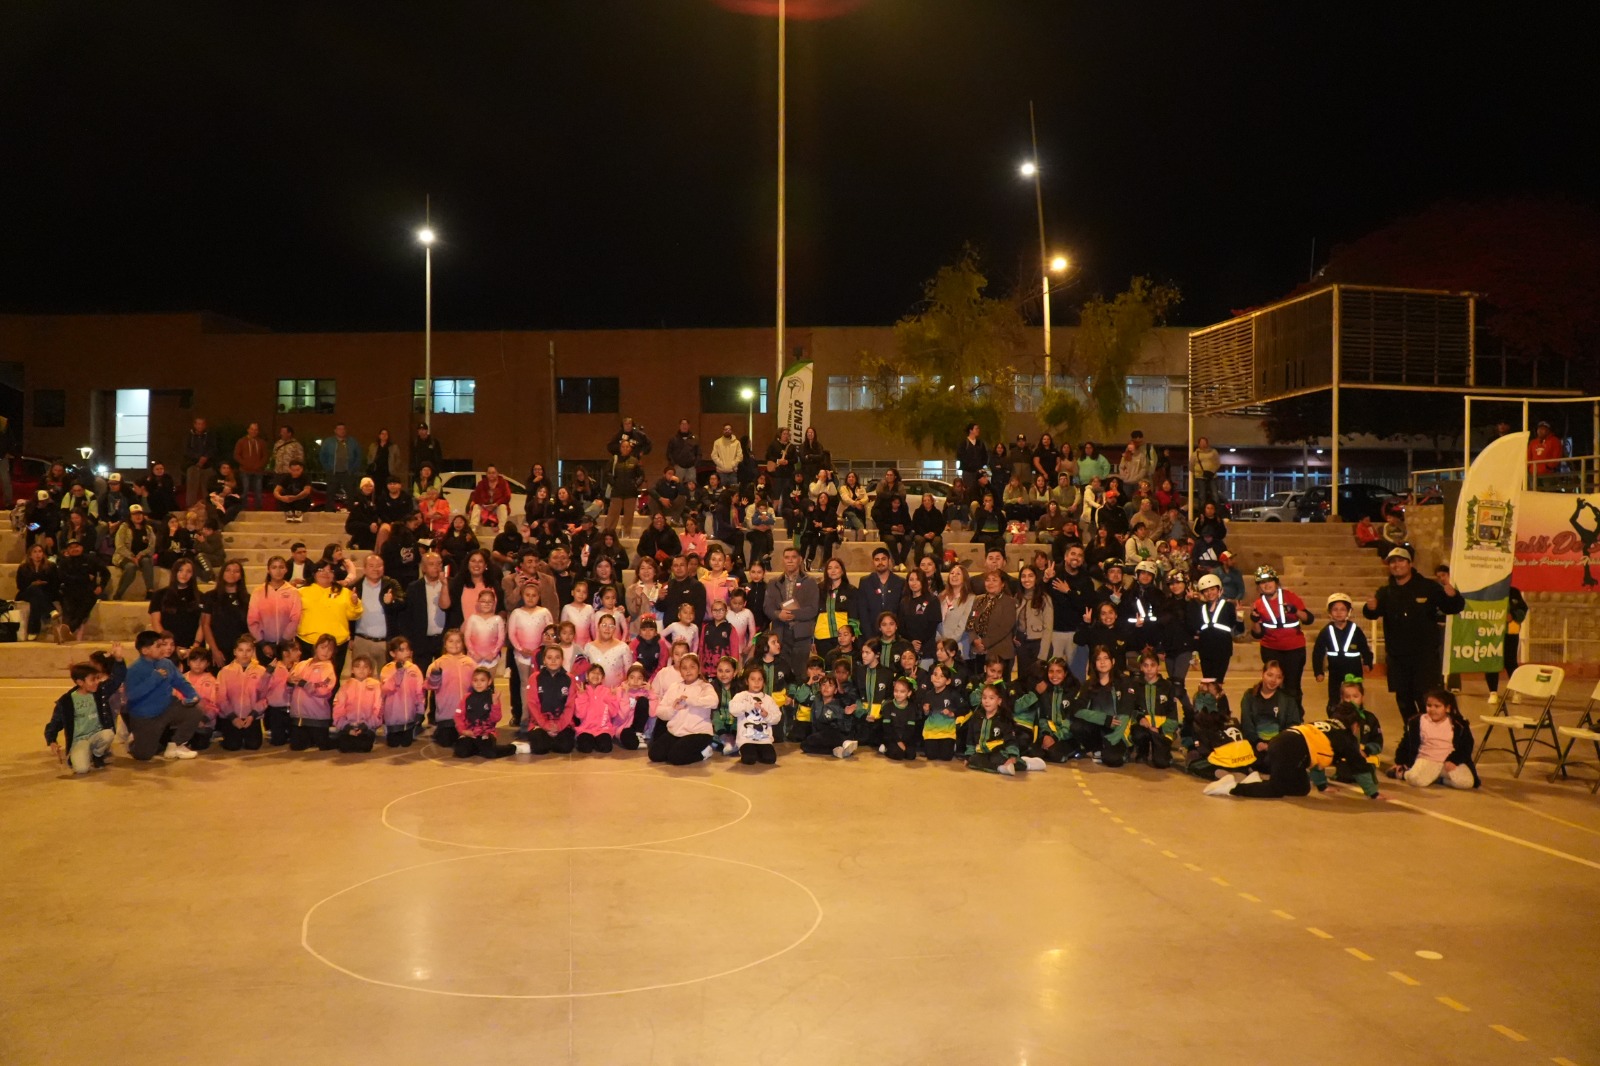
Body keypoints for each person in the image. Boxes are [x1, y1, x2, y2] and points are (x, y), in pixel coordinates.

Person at [1363, 547, 1464, 722]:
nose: (1396, 565)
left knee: (1428, 700)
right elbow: (1372, 613)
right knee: (1404, 702)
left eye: (1401, 560)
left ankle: (1436, 736)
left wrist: (1453, 595)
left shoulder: (1429, 587)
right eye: (1392, 562)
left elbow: (1452, 608)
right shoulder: (1385, 592)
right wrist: (1369, 608)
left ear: (1410, 564)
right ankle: (1412, 735)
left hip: (1424, 659)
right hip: (1398, 659)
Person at [1203, 706, 1380, 799]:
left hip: (1284, 740)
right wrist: (1373, 794)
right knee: (1276, 789)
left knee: (1302, 787)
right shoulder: (1346, 738)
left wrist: (1323, 786)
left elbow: (1318, 760)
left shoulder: (1326, 725)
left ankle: (1253, 779)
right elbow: (1360, 767)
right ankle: (1232, 788)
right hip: (1291, 748)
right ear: (1354, 725)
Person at [123, 630, 203, 761]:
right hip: (146, 716)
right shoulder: (134, 669)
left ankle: (176, 746)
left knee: (194, 711)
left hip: (167, 708)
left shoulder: (166, 663)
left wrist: (192, 695)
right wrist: (155, 678)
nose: (163, 649)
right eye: (158, 646)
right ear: (145, 650)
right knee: (144, 755)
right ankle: (134, 739)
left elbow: (180, 682)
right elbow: (131, 695)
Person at [45, 650, 126, 774]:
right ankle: (81, 753)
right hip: (80, 740)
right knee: (81, 769)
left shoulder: (100, 692)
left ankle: (97, 755)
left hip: (96, 736)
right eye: (93, 680)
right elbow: (54, 723)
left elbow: (117, 679)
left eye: (98, 678)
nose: (97, 682)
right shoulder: (67, 701)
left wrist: (119, 660)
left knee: (108, 734)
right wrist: (52, 740)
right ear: (80, 682)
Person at [1391, 690, 1480, 789]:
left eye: (1437, 706)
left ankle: (1439, 778)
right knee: (1414, 780)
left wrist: (1453, 760)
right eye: (1429, 705)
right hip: (1426, 759)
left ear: (1447, 708)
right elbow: (1406, 743)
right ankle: (1402, 772)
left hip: (1447, 763)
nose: (1432, 709)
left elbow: (1467, 746)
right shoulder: (1416, 722)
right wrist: (1400, 761)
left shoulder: (1459, 724)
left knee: (1467, 782)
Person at [1248, 566, 1312, 701]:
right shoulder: (1258, 604)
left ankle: (1295, 717)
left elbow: (1308, 619)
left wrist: (1295, 611)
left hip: (1294, 649)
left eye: (1269, 581)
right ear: (1259, 587)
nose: (1266, 585)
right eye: (1262, 582)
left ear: (1276, 582)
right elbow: (1257, 634)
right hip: (1271, 649)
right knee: (1273, 686)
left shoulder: (1290, 596)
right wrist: (1254, 621)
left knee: (1293, 686)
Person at [296, 560, 364, 678]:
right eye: (321, 570)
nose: (326, 573)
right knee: (306, 678)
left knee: (332, 681)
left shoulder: (344, 592)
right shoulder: (301, 592)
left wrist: (354, 603)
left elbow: (353, 615)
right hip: (309, 643)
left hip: (337, 645)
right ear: (314, 573)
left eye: (330, 571)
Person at [649, 652, 719, 764]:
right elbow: (660, 711)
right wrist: (673, 709)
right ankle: (679, 748)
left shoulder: (705, 686)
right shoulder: (674, 687)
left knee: (676, 757)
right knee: (654, 754)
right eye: (684, 668)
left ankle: (705, 752)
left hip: (698, 732)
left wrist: (690, 700)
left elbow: (714, 702)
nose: (688, 671)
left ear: (698, 669)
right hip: (676, 732)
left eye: (692, 667)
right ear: (680, 672)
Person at [1312, 593, 1374, 712]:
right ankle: (1335, 721)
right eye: (1335, 609)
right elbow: (1318, 652)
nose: (1339, 612)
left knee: (1355, 696)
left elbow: (1364, 648)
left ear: (1348, 611)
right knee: (1334, 700)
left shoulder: (1355, 630)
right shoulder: (1326, 631)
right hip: (1335, 672)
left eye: (1342, 609)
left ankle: (1356, 720)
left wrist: (1367, 662)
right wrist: (1318, 671)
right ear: (1329, 612)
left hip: (1354, 671)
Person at [764, 547, 820, 677]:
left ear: (800, 560)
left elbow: (812, 609)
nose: (790, 561)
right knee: (781, 675)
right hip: (780, 635)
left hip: (801, 635)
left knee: (801, 674)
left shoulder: (810, 582)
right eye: (786, 557)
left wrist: (792, 614)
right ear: (782, 560)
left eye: (793, 557)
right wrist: (779, 615)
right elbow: (768, 607)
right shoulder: (774, 583)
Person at [1239, 660, 1302, 763]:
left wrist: (1275, 744)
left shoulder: (1288, 699)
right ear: (1263, 674)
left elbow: (1293, 725)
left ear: (1282, 680)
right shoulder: (1249, 696)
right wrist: (1257, 742)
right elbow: (1246, 723)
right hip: (1254, 744)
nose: (1273, 680)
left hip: (1279, 745)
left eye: (1278, 677)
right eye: (1270, 675)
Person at [215, 635, 268, 751]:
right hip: (231, 717)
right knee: (232, 746)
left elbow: (264, 697)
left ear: (253, 651)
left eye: (248, 650)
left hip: (252, 717)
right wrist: (233, 717)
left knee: (253, 745)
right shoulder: (225, 672)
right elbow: (221, 698)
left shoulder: (261, 671)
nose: (245, 654)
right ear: (235, 652)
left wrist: (253, 715)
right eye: (241, 650)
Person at [426, 629, 476, 747]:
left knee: (466, 741)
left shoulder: (470, 663)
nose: (455, 644)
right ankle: (440, 730)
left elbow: (477, 684)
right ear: (445, 644)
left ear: (463, 644)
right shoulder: (437, 663)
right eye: (451, 641)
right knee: (446, 742)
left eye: (458, 641)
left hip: (466, 714)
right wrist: (435, 675)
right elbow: (430, 686)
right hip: (446, 714)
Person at [454, 667, 513, 759]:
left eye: (482, 680)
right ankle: (478, 748)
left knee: (490, 753)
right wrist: (463, 731)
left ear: (489, 682)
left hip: (486, 733)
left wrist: (495, 704)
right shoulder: (467, 698)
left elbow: (496, 718)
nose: (478, 683)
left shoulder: (493, 698)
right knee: (461, 752)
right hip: (470, 733)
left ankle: (514, 747)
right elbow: (458, 716)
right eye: (475, 680)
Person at [380, 636, 427, 747]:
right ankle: (390, 731)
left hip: (409, 715)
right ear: (392, 653)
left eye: (407, 649)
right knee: (393, 744)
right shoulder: (387, 669)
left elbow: (420, 692)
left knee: (406, 743)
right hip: (392, 716)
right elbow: (386, 688)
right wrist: (398, 673)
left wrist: (420, 710)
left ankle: (411, 730)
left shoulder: (414, 669)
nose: (405, 652)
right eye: (401, 650)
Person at [333, 656, 383, 753]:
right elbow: (338, 709)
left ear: (370, 670)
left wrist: (365, 726)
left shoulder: (376, 685)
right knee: (344, 746)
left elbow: (378, 709)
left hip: (366, 726)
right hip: (348, 725)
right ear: (352, 670)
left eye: (365, 667)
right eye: (358, 667)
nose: (361, 670)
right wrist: (347, 727)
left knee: (365, 747)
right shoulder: (345, 686)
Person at [319, 423, 362, 505]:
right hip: (333, 473)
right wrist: (328, 468)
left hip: (348, 473)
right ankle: (330, 513)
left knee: (351, 494)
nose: (342, 431)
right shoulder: (328, 442)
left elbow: (358, 456)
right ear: (335, 430)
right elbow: (322, 456)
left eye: (343, 429)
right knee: (330, 494)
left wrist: (353, 469)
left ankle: (351, 513)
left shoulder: (352, 441)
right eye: (339, 429)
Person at [181, 417, 219, 509]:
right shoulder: (189, 435)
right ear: (194, 425)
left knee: (207, 489)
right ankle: (191, 508)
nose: (200, 426)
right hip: (193, 465)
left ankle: (209, 508)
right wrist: (198, 458)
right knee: (192, 489)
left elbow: (213, 448)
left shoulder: (210, 435)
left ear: (205, 425)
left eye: (202, 424)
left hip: (207, 466)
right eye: (198, 424)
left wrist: (205, 457)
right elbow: (186, 450)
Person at [1527, 420, 1564, 490]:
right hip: (1533, 473)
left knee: (1548, 493)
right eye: (1539, 429)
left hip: (1548, 474)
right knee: (1534, 494)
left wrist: (1548, 467)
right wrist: (1529, 467)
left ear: (1548, 430)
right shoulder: (1533, 442)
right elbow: (1528, 456)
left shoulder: (1555, 441)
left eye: (1543, 429)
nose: (1540, 431)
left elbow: (1556, 456)